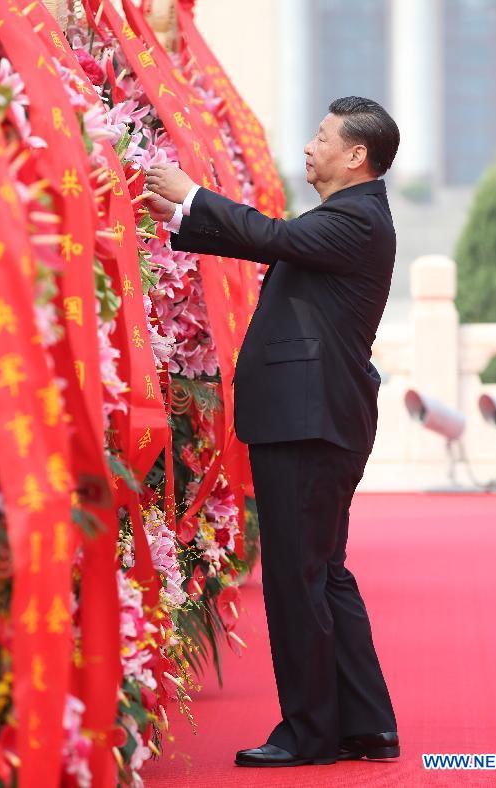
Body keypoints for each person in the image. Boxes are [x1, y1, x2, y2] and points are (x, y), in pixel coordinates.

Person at [145, 95, 400, 768]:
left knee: (298, 577)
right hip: (315, 418)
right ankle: (366, 724)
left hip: (310, 421)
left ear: (356, 156)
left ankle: (309, 733)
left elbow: (272, 238)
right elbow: (270, 239)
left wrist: (192, 195)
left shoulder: (358, 220)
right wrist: (177, 217)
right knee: (323, 573)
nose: (309, 146)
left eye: (322, 137)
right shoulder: (349, 218)